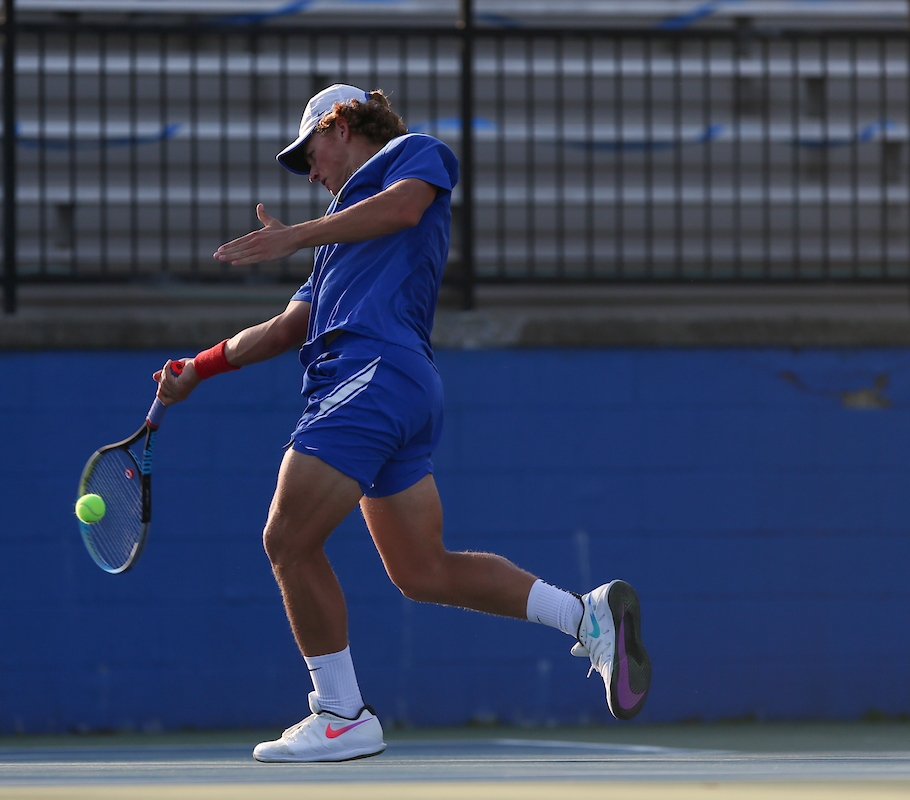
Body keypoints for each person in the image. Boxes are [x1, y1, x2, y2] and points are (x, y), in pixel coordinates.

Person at [153, 84, 651, 763]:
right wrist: (199, 367)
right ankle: (586, 616)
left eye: (311, 154)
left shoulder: (411, 156)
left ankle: (340, 712)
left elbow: (406, 205)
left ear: (344, 124)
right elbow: (285, 328)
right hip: (395, 390)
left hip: (372, 374)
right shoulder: (338, 241)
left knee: (288, 539)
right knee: (421, 570)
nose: (311, 172)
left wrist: (298, 234)